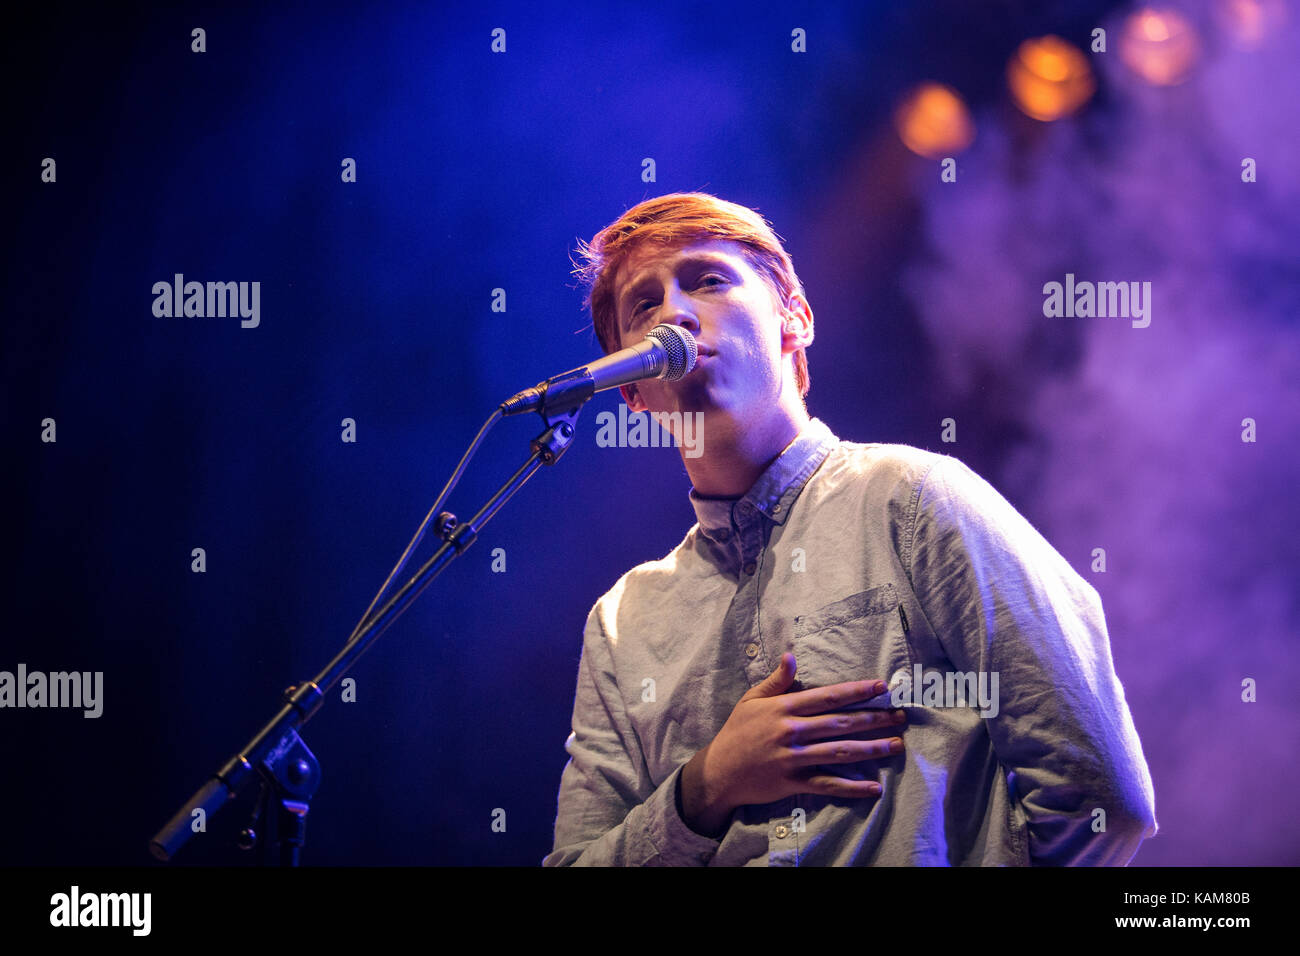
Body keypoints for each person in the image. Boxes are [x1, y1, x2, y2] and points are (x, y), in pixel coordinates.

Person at [542, 192, 1157, 866]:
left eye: (708, 279)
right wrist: (706, 785)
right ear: (631, 392)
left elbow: (1102, 802)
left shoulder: (913, 498)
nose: (675, 314)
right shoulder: (622, 623)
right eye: (645, 305)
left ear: (794, 320)